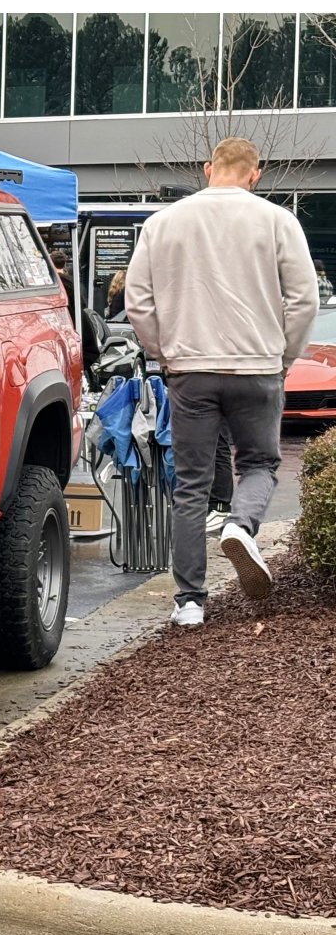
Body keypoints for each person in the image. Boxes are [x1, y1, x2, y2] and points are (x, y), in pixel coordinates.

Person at [125, 137, 319, 627]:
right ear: (255, 175)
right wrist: (283, 357)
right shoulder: (277, 221)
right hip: (257, 367)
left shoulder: (162, 223)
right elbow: (304, 300)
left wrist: (164, 352)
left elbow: (138, 302)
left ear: (208, 168)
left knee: (191, 486)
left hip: (190, 369)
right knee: (259, 464)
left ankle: (190, 601)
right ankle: (241, 525)